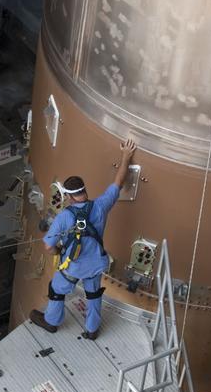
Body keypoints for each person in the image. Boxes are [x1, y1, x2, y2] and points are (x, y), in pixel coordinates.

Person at [30, 137, 137, 340]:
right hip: (96, 263)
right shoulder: (100, 206)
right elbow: (118, 182)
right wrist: (125, 156)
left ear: (69, 197)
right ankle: (92, 329)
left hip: (73, 265)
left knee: (57, 290)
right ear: (84, 191)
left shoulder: (64, 217)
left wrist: (59, 251)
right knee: (94, 294)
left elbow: (48, 246)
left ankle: (51, 322)